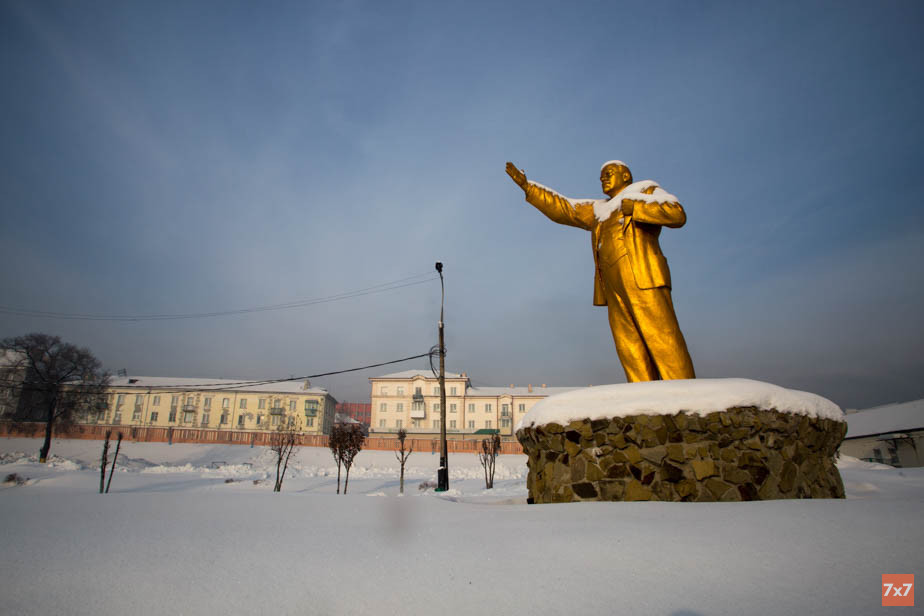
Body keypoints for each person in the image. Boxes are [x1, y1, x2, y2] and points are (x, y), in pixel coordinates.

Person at [505, 160, 695, 382]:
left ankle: (683, 389)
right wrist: (528, 187)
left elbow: (676, 213)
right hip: (612, 285)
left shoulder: (645, 190)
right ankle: (643, 390)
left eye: (608, 173)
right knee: (628, 345)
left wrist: (637, 208)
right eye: (601, 176)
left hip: (642, 276)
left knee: (661, 335)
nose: (603, 178)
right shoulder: (599, 209)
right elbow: (565, 208)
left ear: (625, 176)